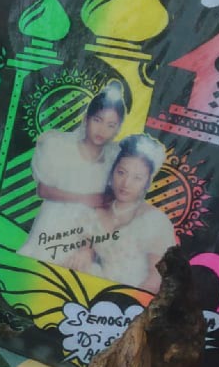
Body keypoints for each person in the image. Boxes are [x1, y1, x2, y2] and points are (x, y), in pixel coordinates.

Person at [19, 83, 126, 263]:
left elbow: (112, 198)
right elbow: (43, 190)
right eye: (97, 120)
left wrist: (104, 200)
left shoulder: (114, 158)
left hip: (86, 230)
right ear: (86, 119)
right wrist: (85, 199)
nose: (102, 130)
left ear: (117, 129)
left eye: (110, 125)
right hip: (53, 222)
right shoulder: (60, 146)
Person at [68, 135, 175, 295]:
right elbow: (86, 244)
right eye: (121, 172)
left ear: (147, 182)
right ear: (112, 172)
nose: (126, 183)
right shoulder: (97, 210)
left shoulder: (155, 221)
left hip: (134, 296)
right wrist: (86, 252)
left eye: (137, 178)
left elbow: (157, 277)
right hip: (96, 289)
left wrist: (128, 300)